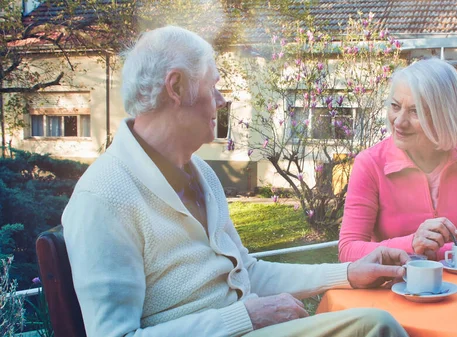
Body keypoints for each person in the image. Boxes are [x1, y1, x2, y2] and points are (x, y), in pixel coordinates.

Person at [61, 26, 411, 337]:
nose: (222, 100)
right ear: (177, 87)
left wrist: (350, 272)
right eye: (213, 86)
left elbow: (247, 272)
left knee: (376, 321)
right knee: (374, 327)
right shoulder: (103, 196)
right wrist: (245, 317)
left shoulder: (201, 173)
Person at [338, 58, 457, 263]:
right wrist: (412, 244)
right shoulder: (370, 163)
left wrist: (436, 253)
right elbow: (348, 251)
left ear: (446, 116)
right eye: (395, 106)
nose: (399, 121)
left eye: (416, 112)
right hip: (391, 289)